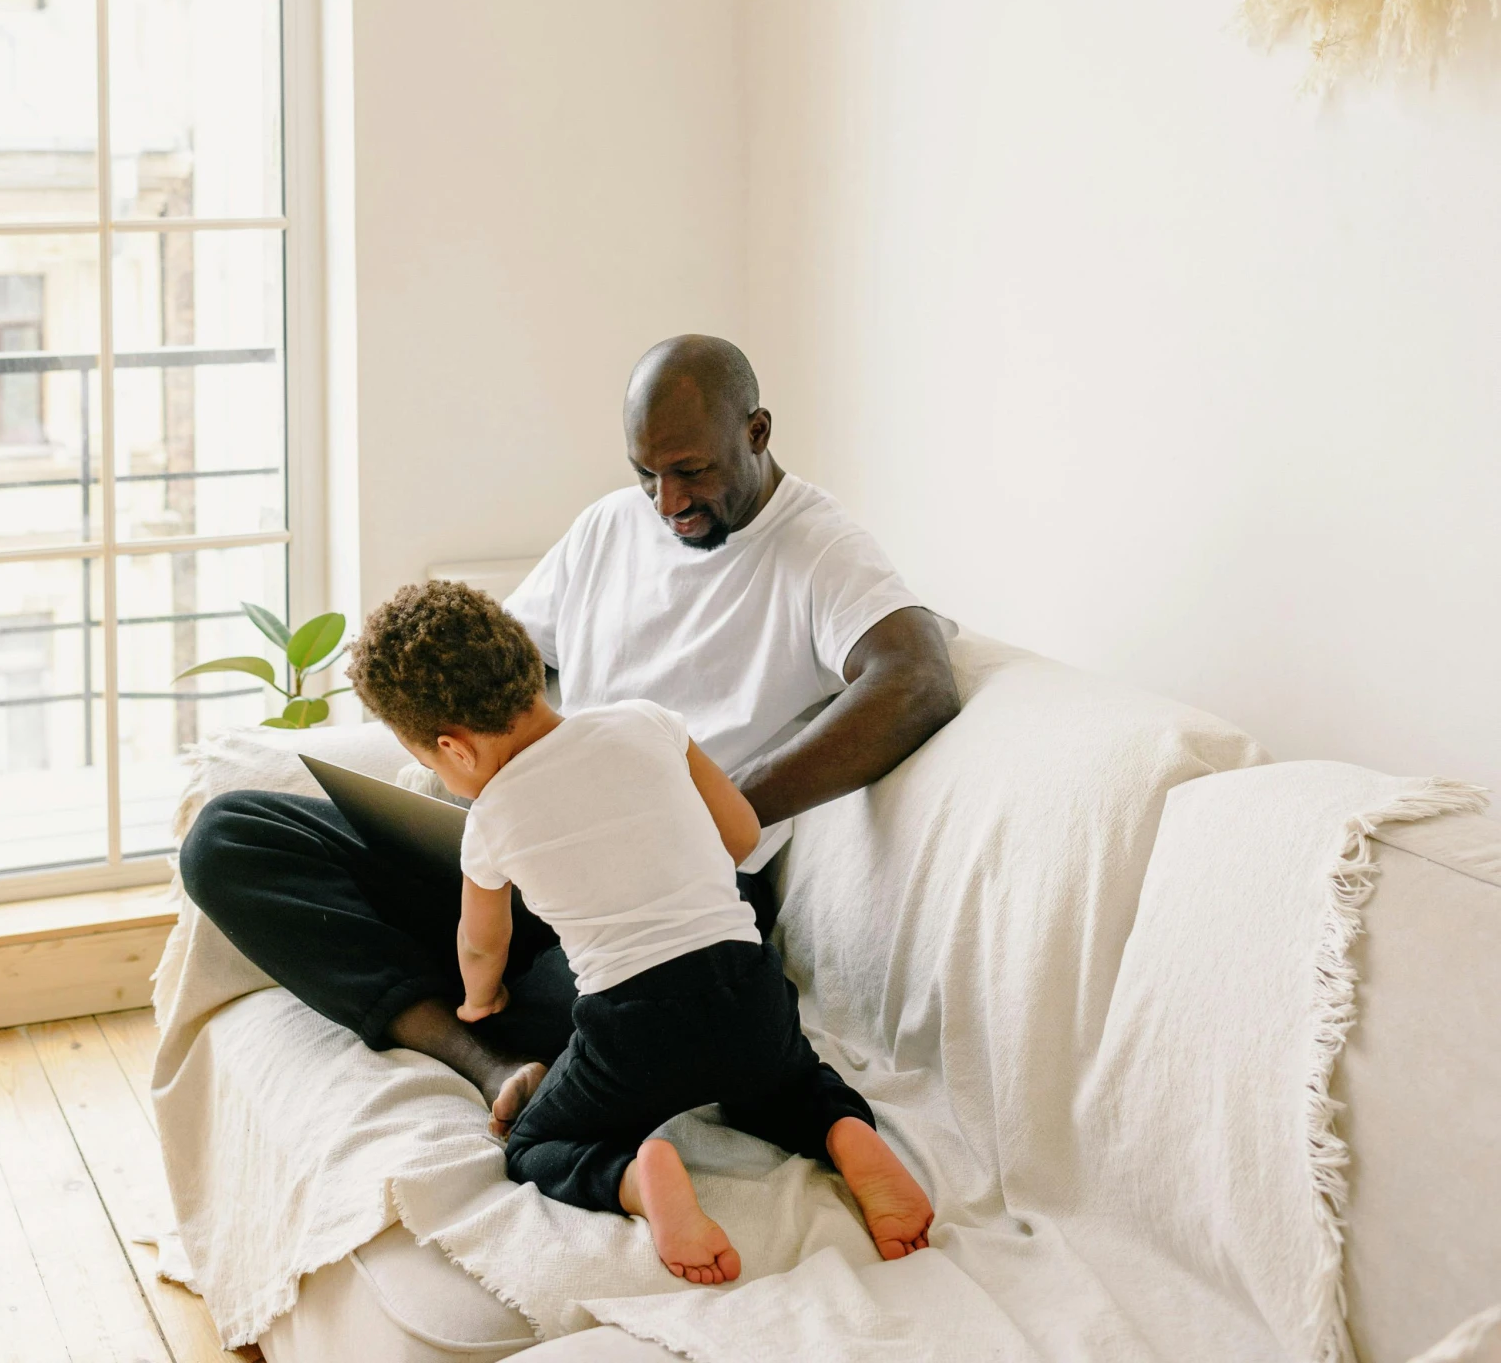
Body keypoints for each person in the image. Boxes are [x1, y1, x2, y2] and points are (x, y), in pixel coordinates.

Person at [180, 334, 960, 1133]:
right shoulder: (609, 528)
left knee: (632, 1027)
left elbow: (918, 680)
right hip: (525, 859)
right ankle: (484, 1058)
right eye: (644, 472)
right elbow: (501, 667)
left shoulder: (821, 548)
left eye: (690, 470)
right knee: (228, 838)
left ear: (756, 431)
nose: (666, 503)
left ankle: (482, 1035)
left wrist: (695, 812)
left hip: (658, 904)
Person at [347, 579, 935, 1281]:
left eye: (429, 761)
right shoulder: (647, 722)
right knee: (794, 1083)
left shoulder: (491, 820)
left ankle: (639, 1175)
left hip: (633, 1029)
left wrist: (479, 999)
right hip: (747, 987)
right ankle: (846, 1134)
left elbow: (481, 942)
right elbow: (742, 831)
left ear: (456, 749)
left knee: (535, 1144)